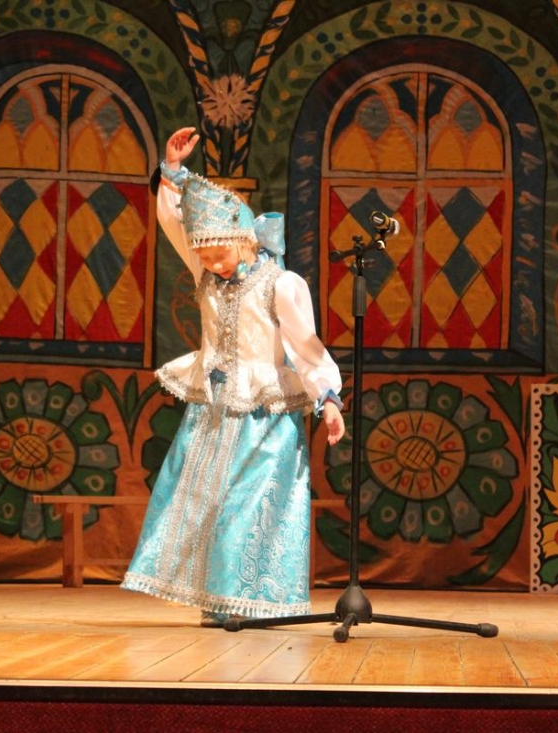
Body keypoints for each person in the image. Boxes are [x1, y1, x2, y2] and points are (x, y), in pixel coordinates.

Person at [122, 127, 346, 627]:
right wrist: (172, 172)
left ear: (245, 241)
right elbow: (175, 225)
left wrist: (328, 398)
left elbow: (306, 348)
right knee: (206, 503)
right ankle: (218, 602)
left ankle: (253, 600)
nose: (212, 264)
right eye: (204, 257)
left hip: (265, 415)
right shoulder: (206, 272)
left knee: (251, 506)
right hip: (214, 411)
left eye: (220, 255)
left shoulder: (281, 284)